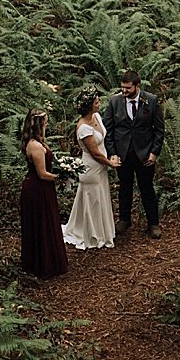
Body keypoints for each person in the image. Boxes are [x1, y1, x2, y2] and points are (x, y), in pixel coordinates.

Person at [102, 69, 166, 238]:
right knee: (124, 187)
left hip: (144, 153)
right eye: (122, 87)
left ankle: (153, 223)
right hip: (122, 154)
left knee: (147, 189)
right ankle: (124, 220)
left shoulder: (151, 100)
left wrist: (154, 152)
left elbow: (159, 130)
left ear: (137, 86)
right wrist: (112, 153)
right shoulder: (114, 101)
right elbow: (108, 130)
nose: (124, 91)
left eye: (128, 88)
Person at [63, 87, 120, 250]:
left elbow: (104, 141)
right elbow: (95, 153)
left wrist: (111, 155)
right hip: (91, 168)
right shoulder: (83, 128)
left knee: (101, 197)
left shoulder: (96, 116)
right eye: (96, 102)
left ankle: (103, 231)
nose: (99, 103)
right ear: (88, 106)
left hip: (101, 167)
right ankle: (93, 234)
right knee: (93, 201)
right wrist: (110, 163)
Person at [19, 108, 68, 278]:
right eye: (45, 121)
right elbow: (42, 174)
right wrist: (62, 177)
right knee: (42, 222)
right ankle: (42, 264)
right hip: (37, 189)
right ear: (40, 123)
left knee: (46, 221)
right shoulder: (35, 146)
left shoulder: (38, 142)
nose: (47, 124)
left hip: (43, 188)